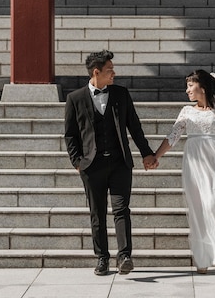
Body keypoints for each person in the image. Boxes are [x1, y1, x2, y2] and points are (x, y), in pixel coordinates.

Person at [64, 50, 158, 276]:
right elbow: (70, 135)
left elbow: (134, 127)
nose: (114, 74)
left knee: (121, 210)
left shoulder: (121, 94)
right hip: (91, 166)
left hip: (119, 163)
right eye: (110, 70)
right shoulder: (75, 98)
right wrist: (77, 162)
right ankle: (102, 258)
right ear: (96, 72)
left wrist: (146, 153)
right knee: (97, 213)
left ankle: (124, 256)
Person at [152, 69, 215, 274]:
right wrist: (155, 156)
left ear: (202, 87)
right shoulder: (187, 111)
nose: (187, 90)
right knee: (198, 210)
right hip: (194, 163)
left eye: (190, 85)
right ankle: (203, 258)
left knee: (213, 203)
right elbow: (173, 136)